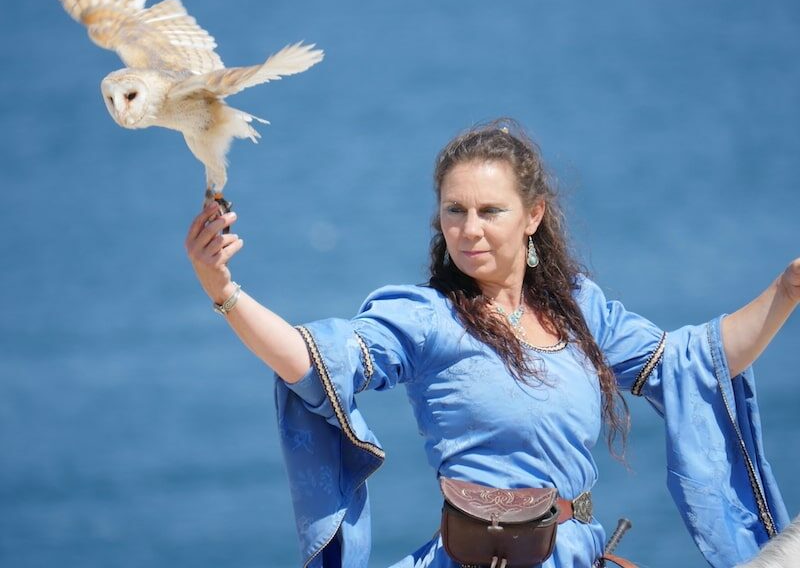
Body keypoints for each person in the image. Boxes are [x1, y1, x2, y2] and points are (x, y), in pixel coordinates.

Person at [185, 120, 798, 568]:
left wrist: (788, 287)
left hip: (575, 555)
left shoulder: (581, 309)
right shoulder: (426, 317)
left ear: (531, 217)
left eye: (489, 211)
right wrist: (225, 290)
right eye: (454, 211)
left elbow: (694, 362)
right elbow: (310, 360)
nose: (469, 229)